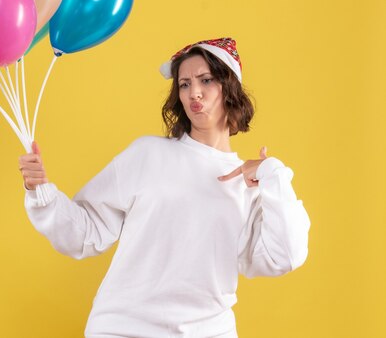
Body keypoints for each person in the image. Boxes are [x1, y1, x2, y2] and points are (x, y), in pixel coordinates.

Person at [18, 37, 311, 338]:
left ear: (230, 88)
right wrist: (41, 191)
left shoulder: (252, 183)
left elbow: (285, 256)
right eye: (184, 84)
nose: (194, 93)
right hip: (124, 328)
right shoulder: (148, 154)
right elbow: (86, 232)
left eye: (206, 80)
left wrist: (272, 174)